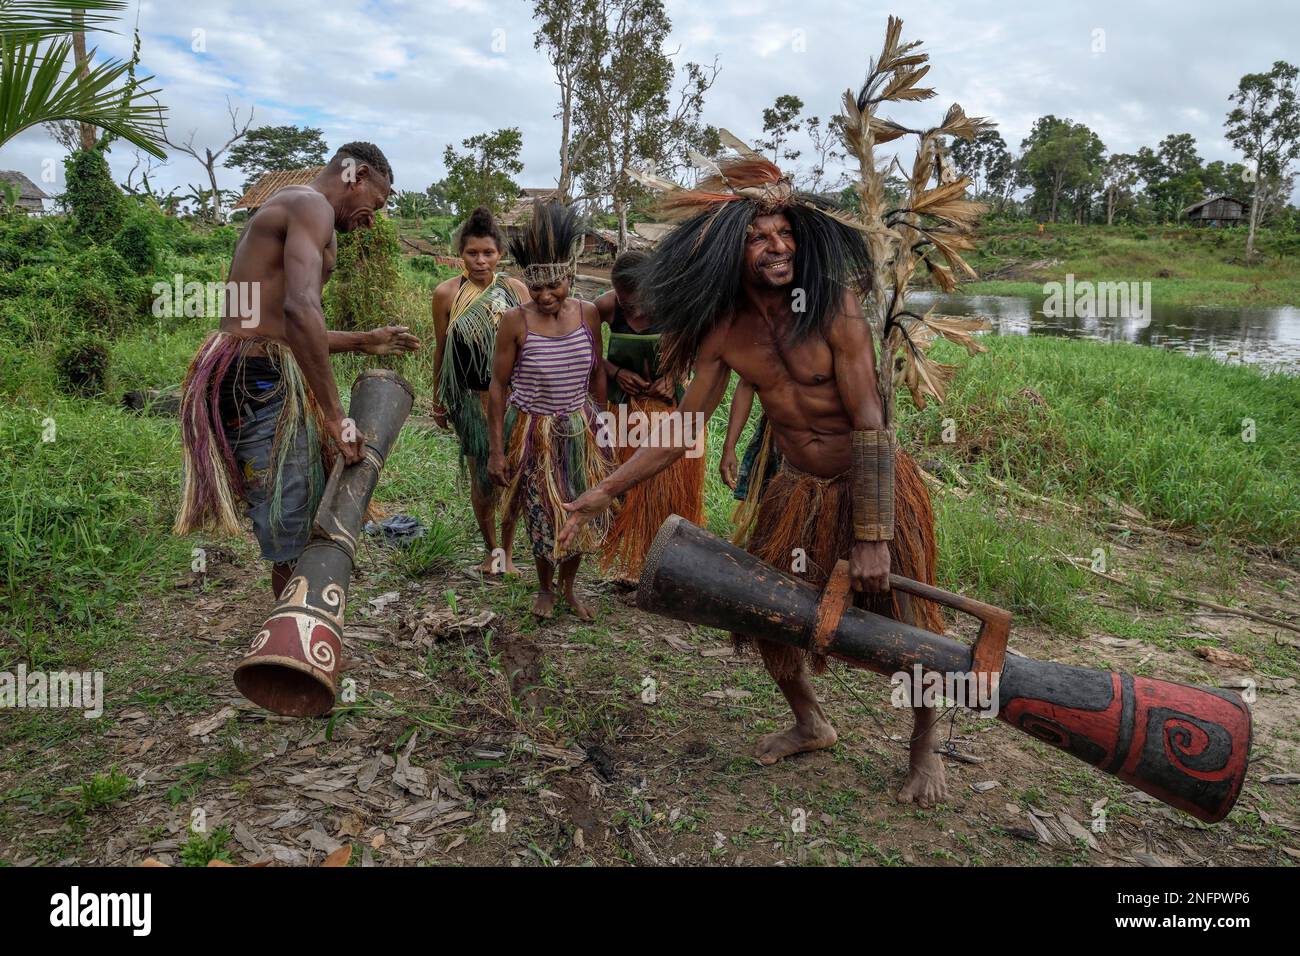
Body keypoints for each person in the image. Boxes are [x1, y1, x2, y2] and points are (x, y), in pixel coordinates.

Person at [560, 156, 949, 806]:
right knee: (767, 615)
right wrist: (603, 489)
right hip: (796, 492)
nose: (777, 247)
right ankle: (810, 720)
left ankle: (923, 743)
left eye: (785, 234)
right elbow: (684, 431)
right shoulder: (725, 333)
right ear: (730, 250)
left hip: (871, 484)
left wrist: (875, 534)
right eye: (759, 237)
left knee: (910, 624)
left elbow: (872, 422)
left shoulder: (834, 309)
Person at [175, 142, 420, 598]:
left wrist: (364, 341)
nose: (374, 217)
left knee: (299, 508)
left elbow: (277, 327)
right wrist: (334, 415)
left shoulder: (291, 204)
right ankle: (292, 640)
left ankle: (298, 620)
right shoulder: (311, 205)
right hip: (262, 380)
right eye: (377, 203)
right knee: (293, 518)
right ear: (358, 175)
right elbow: (300, 308)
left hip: (252, 367)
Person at [486, 201, 613, 620]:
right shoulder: (514, 321)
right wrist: (498, 450)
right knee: (541, 510)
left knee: (580, 506)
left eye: (554, 286)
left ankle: (569, 588)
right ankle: (544, 588)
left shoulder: (588, 314)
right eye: (536, 288)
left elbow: (596, 372)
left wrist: (605, 428)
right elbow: (498, 385)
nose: (544, 296)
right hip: (533, 429)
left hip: (579, 427)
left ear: (569, 278)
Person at [594, 251, 704, 585]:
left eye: (641, 303)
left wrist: (676, 375)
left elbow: (703, 353)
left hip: (669, 413)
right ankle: (629, 558)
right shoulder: (604, 307)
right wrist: (614, 371)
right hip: (624, 413)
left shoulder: (676, 304)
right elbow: (585, 352)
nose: (635, 311)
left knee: (666, 489)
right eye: (627, 305)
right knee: (629, 484)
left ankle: (669, 560)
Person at [431, 207, 529, 575]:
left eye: (488, 253)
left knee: (514, 472)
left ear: (499, 254)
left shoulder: (515, 290)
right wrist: (438, 399)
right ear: (461, 254)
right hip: (469, 400)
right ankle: (492, 552)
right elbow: (441, 349)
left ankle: (508, 548)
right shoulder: (446, 294)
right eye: (472, 253)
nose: (480, 260)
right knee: (483, 476)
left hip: (514, 399)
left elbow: (528, 345)